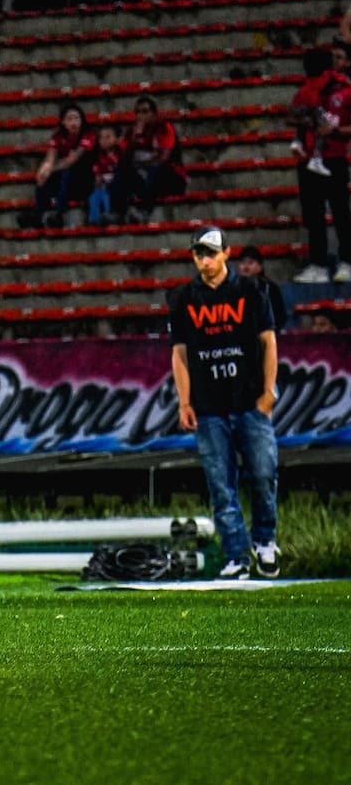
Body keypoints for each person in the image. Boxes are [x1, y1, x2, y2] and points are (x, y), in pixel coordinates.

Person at [169, 225, 280, 579]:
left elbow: (268, 343)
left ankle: (264, 541)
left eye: (211, 253)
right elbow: (180, 354)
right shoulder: (184, 299)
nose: (205, 260)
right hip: (209, 405)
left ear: (226, 254)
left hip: (249, 401)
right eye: (199, 254)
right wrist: (184, 401)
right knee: (220, 484)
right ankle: (237, 554)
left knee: (263, 474)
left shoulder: (251, 291)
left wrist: (267, 393)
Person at [289, 46, 351, 283]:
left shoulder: (345, 90)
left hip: (334, 157)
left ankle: (347, 261)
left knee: (340, 213)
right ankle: (319, 264)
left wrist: (334, 129)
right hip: (308, 159)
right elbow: (291, 114)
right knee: (313, 215)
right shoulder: (307, 89)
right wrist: (305, 120)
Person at [20, 100, 97, 229]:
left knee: (66, 172)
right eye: (69, 119)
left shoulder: (88, 135)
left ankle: (59, 214)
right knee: (44, 177)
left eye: (76, 118)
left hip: (85, 180)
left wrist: (52, 169)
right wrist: (44, 170)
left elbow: (71, 160)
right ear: (63, 122)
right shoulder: (58, 136)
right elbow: (50, 158)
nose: (73, 123)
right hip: (65, 180)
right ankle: (38, 215)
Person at [112, 94, 187, 222]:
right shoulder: (132, 132)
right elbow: (122, 159)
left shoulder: (164, 128)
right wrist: (134, 141)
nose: (142, 116)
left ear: (154, 114)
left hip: (170, 177)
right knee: (121, 171)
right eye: (138, 112)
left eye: (145, 112)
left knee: (157, 169)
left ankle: (144, 211)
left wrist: (143, 164)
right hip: (145, 177)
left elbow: (164, 157)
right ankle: (118, 212)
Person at [236, 244, 288, 333]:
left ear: (260, 266)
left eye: (250, 262)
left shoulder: (270, 288)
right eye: (243, 262)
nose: (246, 267)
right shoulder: (232, 288)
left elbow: (280, 316)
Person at [87, 121, 122, 226]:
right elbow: (97, 172)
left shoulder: (121, 156)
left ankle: (110, 215)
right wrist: (98, 179)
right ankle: (94, 219)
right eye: (101, 138)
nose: (104, 141)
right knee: (94, 196)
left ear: (117, 139)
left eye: (108, 137)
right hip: (102, 185)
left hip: (115, 186)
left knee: (108, 195)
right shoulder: (98, 157)